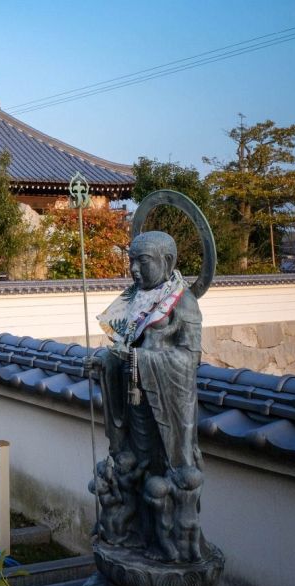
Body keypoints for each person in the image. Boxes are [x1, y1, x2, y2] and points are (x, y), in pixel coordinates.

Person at [92, 230, 204, 559]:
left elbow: (189, 358)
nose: (134, 270)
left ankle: (167, 545)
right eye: (131, 261)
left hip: (166, 406)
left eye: (143, 262)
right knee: (136, 466)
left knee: (163, 472)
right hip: (133, 401)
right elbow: (120, 349)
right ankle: (135, 534)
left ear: (167, 262)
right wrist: (103, 362)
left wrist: (141, 358)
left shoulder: (182, 301)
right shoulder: (134, 299)